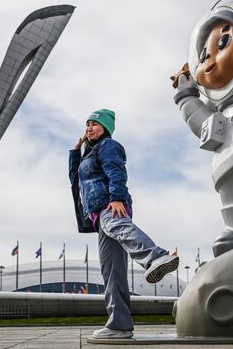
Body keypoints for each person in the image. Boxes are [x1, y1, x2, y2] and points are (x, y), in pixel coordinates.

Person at [69, 109, 179, 339]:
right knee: (111, 272)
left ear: (106, 128)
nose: (89, 128)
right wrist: (75, 151)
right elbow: (76, 179)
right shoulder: (88, 154)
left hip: (110, 205)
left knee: (120, 227)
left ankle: (155, 256)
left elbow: (116, 171)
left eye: (95, 124)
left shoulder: (108, 146)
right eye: (87, 124)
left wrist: (116, 197)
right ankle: (119, 325)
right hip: (99, 214)